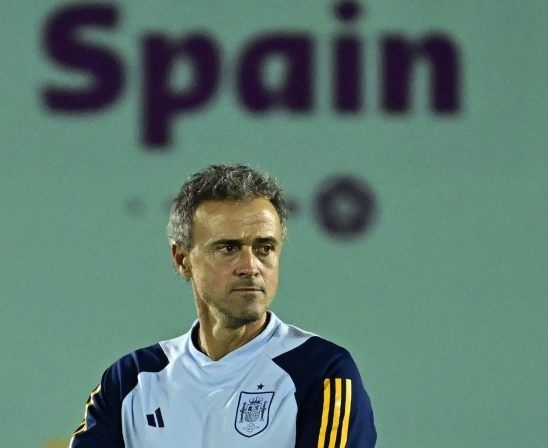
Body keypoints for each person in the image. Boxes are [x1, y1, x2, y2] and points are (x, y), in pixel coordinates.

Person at [69, 164, 377, 447]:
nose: (250, 267)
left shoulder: (322, 371)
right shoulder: (130, 380)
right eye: (228, 248)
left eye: (265, 248)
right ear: (182, 259)